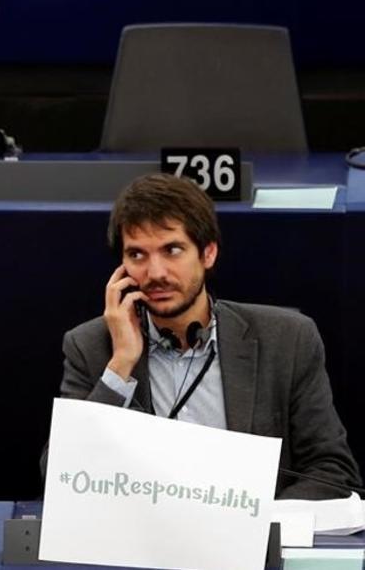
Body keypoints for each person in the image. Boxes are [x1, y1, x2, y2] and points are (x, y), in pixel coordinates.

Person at [51, 173, 359, 498]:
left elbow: (332, 470)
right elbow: (61, 477)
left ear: (208, 253)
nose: (155, 273)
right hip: (141, 542)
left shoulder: (287, 340)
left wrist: (256, 525)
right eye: (137, 255)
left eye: (172, 250)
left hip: (249, 543)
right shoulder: (92, 347)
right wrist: (121, 364)